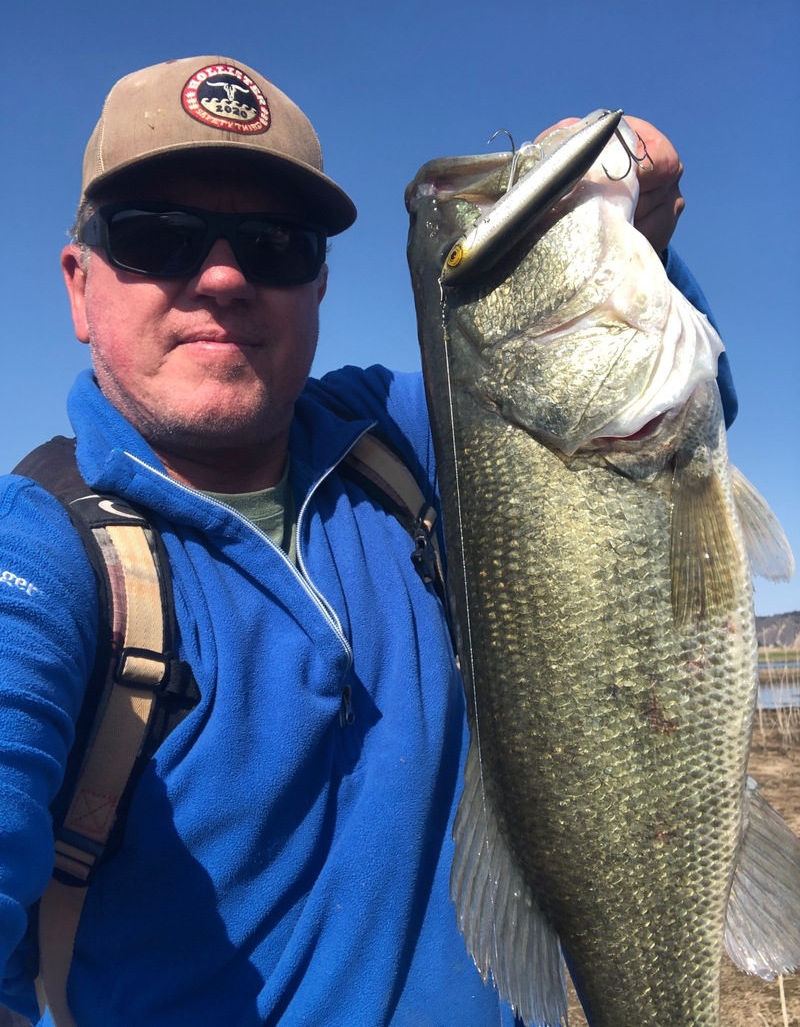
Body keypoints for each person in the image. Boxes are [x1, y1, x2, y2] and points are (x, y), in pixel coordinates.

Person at [0, 56, 736, 1027]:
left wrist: (630, 237)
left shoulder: (393, 437)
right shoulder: (43, 561)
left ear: (317, 287)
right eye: (157, 238)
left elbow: (676, 412)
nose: (221, 276)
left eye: (274, 245)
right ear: (79, 286)